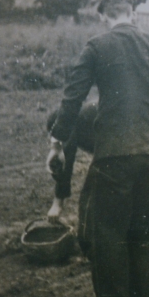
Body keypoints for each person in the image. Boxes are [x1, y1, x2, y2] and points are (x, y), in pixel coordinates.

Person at [46, 0, 149, 297]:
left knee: (107, 232)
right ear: (133, 13)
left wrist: (56, 141)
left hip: (115, 152)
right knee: (140, 231)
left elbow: (73, 97)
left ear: (103, 16)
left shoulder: (96, 45)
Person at [46, 102, 97, 259]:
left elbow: (67, 157)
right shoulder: (78, 114)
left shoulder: (69, 121)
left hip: (120, 144)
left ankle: (92, 253)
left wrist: (58, 203)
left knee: (88, 201)